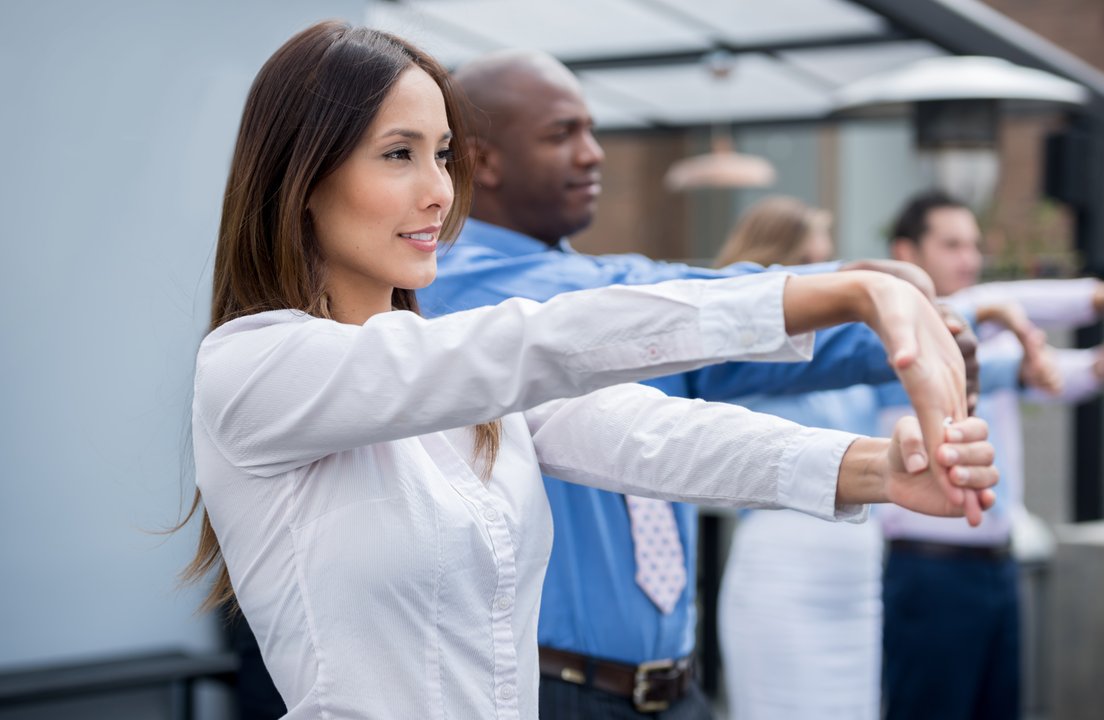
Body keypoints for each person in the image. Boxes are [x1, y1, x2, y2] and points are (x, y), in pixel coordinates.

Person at [181, 23, 998, 720]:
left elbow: (651, 438)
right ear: (303, 178)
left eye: (441, 156)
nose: (438, 192)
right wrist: (831, 294)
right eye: (397, 154)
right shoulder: (256, 366)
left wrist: (877, 471)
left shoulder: (462, 385)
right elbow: (543, 341)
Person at [418, 50, 986, 718]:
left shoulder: (622, 305)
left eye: (592, 130)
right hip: (556, 692)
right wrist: (844, 291)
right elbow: (634, 307)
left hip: (675, 684)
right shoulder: (453, 286)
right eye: (560, 134)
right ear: (483, 161)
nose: (593, 153)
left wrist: (908, 334)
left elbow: (706, 379)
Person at [878, 190, 1104, 720]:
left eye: (975, 245)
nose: (970, 259)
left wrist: (1101, 365)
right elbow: (1002, 303)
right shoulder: (895, 328)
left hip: (998, 567)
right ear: (906, 253)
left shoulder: (982, 331)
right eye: (952, 244)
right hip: (929, 571)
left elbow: (1039, 372)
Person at [712, 197, 884, 720]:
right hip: (784, 573)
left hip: (857, 581)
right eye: (811, 263)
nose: (824, 281)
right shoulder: (746, 352)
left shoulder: (845, 349)